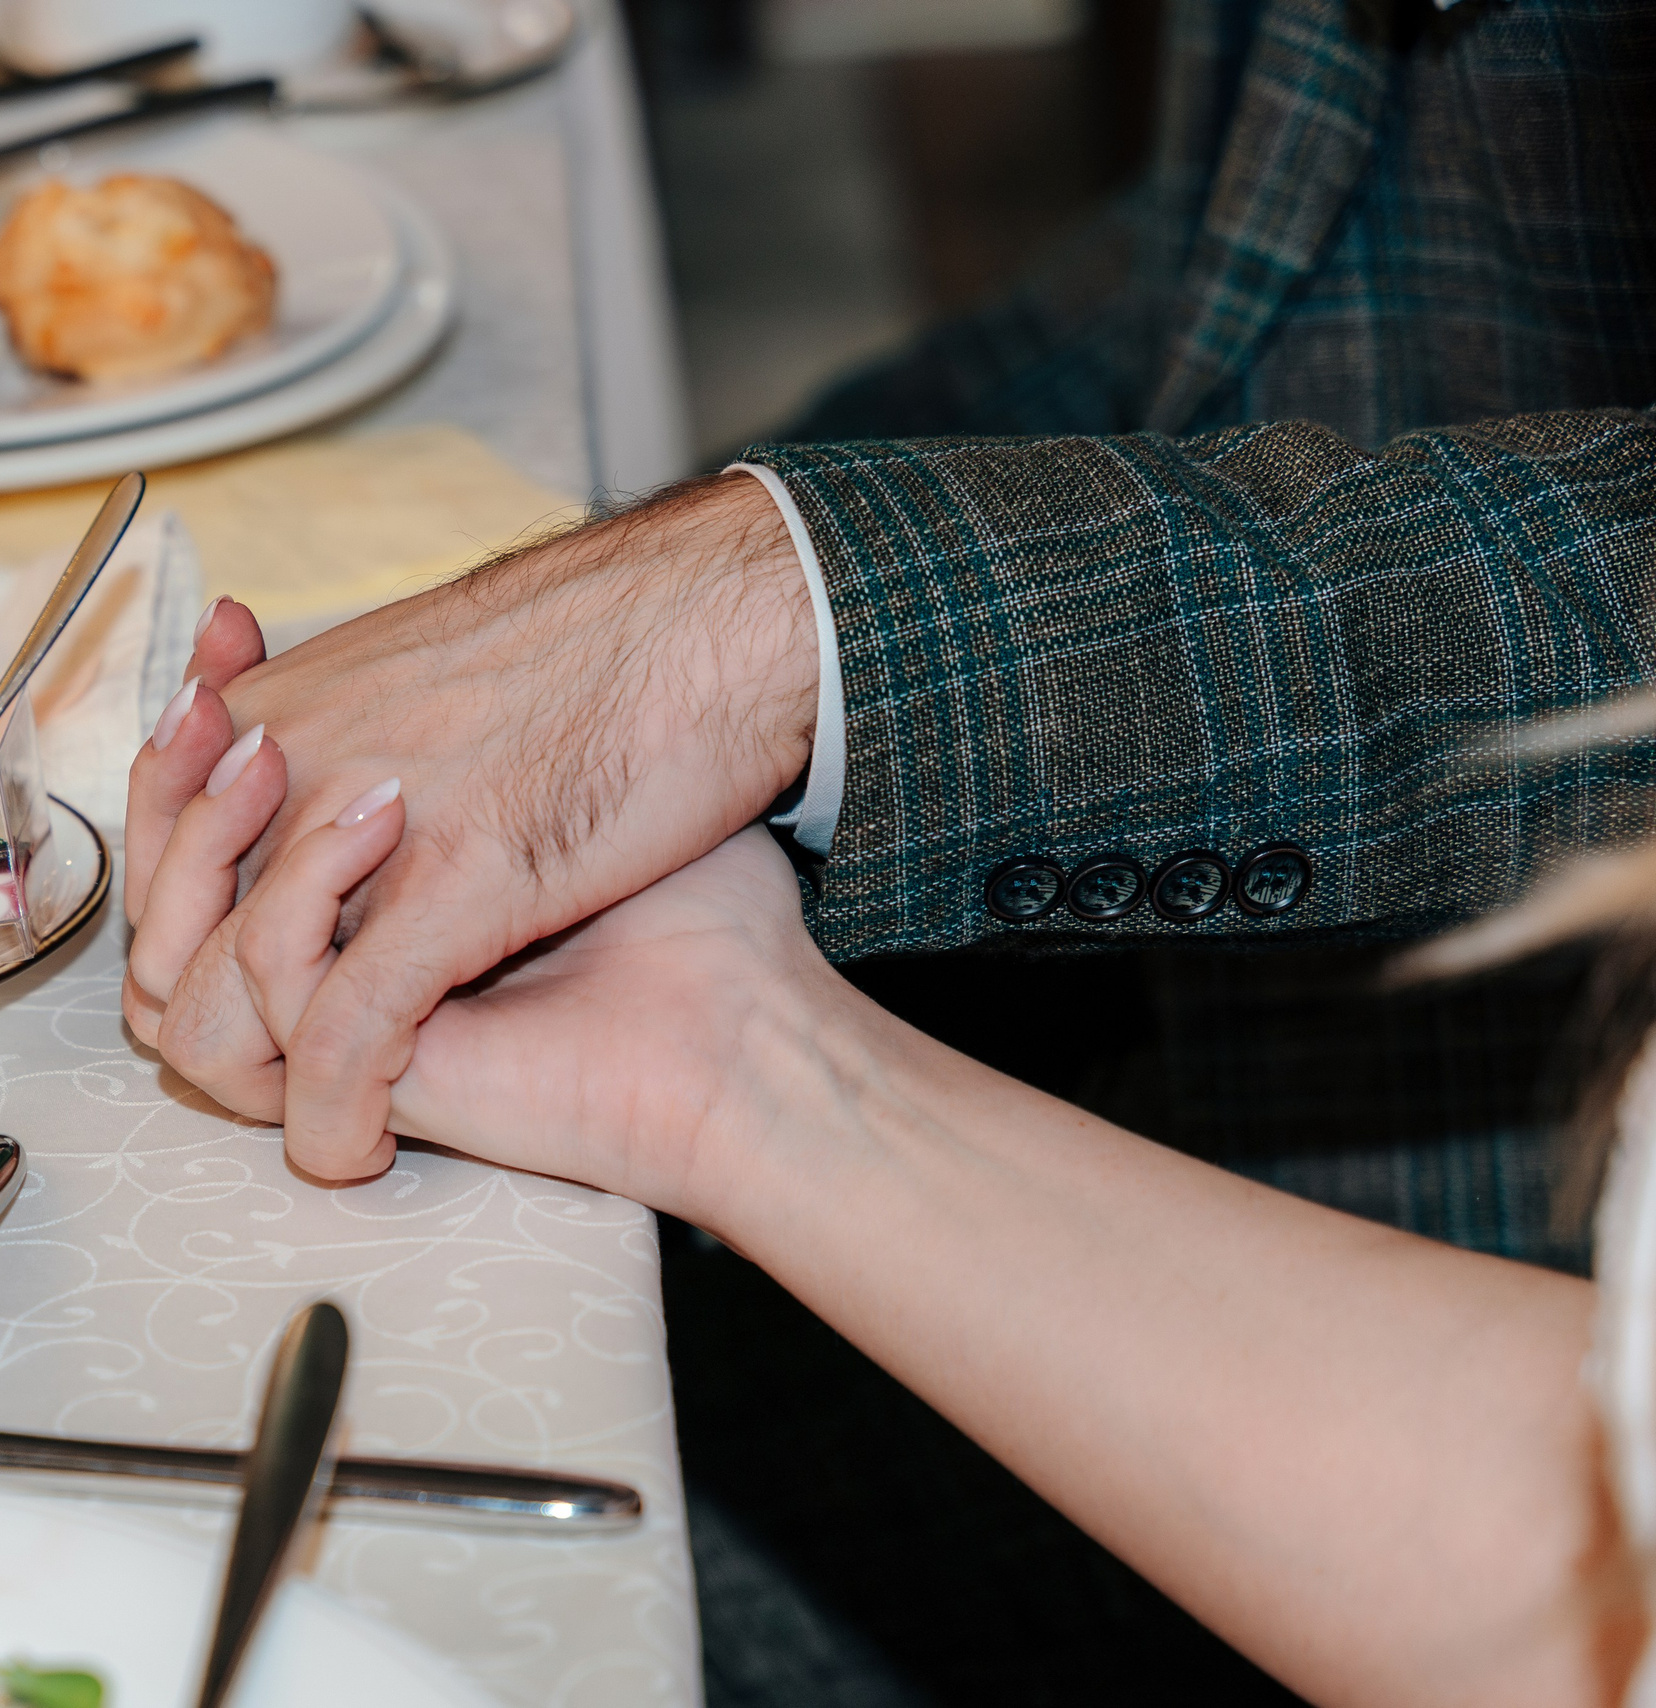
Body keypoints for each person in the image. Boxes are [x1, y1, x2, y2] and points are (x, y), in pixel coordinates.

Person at [125, 0, 1656, 1694]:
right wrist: (588, 618)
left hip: (1494, 1185)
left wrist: (800, 619)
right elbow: (1274, 256)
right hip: (1177, 1190)